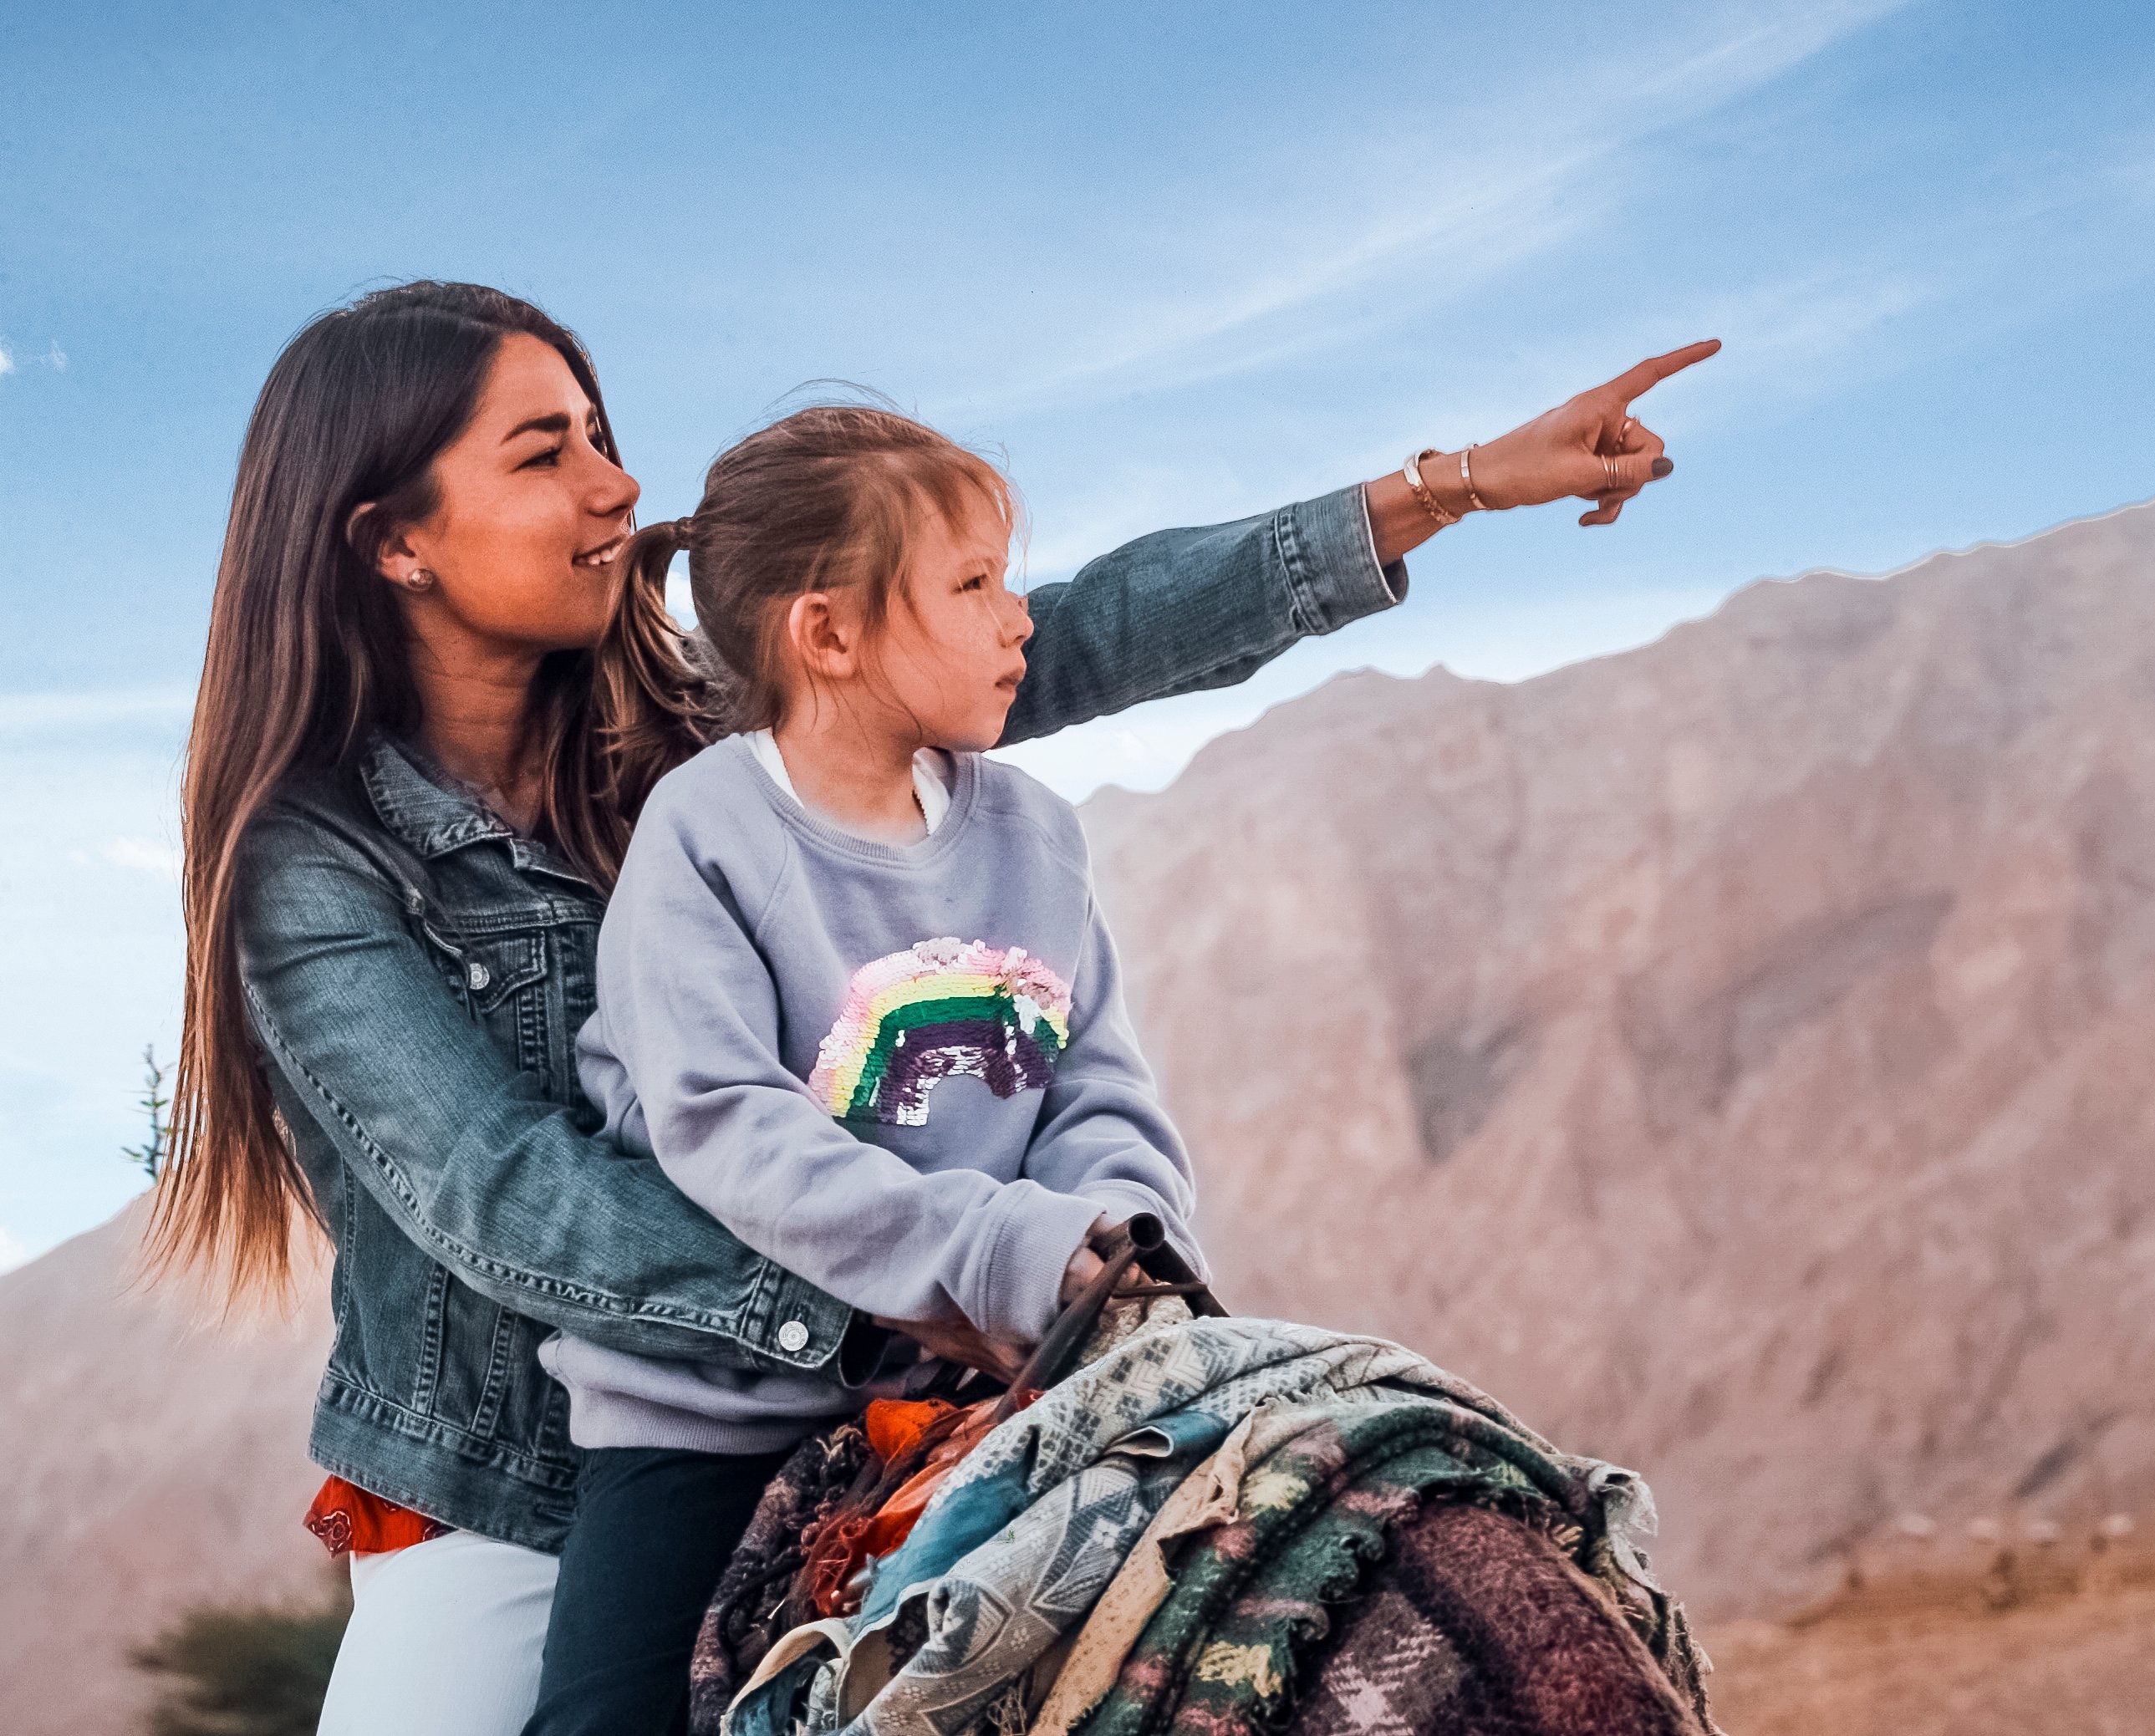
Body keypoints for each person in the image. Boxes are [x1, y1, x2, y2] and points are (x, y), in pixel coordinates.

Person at [153, 278, 1711, 1736]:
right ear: (392, 541)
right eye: (545, 453)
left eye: (607, 436)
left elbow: (1050, 629)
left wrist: (1443, 487)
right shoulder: (311, 864)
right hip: (538, 1490)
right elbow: (507, 1198)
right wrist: (923, 1292)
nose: (617, 485)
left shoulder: (714, 721)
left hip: (921, 1362)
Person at [527, 405, 1207, 1733]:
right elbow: (723, 1125)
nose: (1018, 618)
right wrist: (1004, 1250)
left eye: (1007, 577)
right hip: (713, 1414)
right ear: (827, 633)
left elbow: (1096, 1086)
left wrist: (1118, 1245)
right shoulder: (708, 836)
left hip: (994, 1374)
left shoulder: (1034, 832)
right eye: (971, 584)